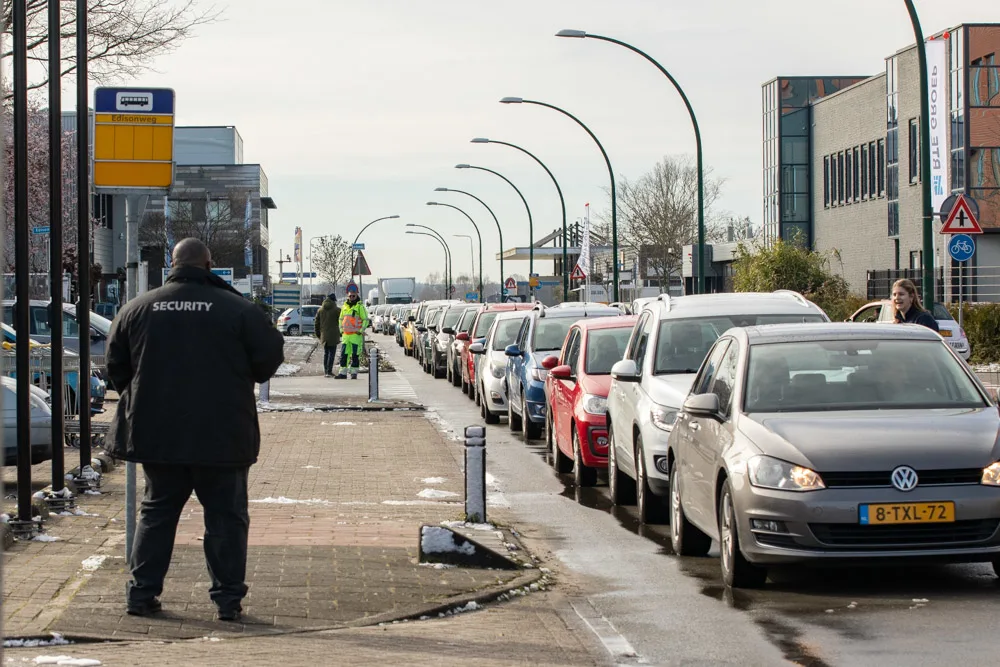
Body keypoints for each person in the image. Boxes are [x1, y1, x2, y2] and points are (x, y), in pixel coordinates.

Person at [105, 238, 285, 622]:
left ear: (172, 264)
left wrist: (144, 397)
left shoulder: (138, 308)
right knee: (226, 517)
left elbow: (117, 368)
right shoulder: (238, 309)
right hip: (222, 434)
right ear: (209, 264)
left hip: (157, 435)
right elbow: (269, 358)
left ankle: (141, 595)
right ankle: (227, 602)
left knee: (156, 513)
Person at [336, 282, 369, 379]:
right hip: (346, 335)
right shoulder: (345, 306)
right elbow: (341, 319)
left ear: (357, 294)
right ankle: (343, 373)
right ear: (348, 295)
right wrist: (341, 330)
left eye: (354, 295)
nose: (352, 296)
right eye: (350, 295)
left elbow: (365, 320)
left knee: (355, 355)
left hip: (355, 335)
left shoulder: (360, 307)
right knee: (344, 355)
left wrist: (361, 330)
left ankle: (354, 373)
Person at [314, 293, 341, 377]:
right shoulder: (337, 310)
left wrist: (318, 334)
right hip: (334, 335)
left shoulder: (320, 310)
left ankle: (326, 371)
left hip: (324, 335)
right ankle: (329, 371)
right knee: (332, 353)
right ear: (334, 301)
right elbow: (341, 322)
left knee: (326, 353)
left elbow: (316, 323)